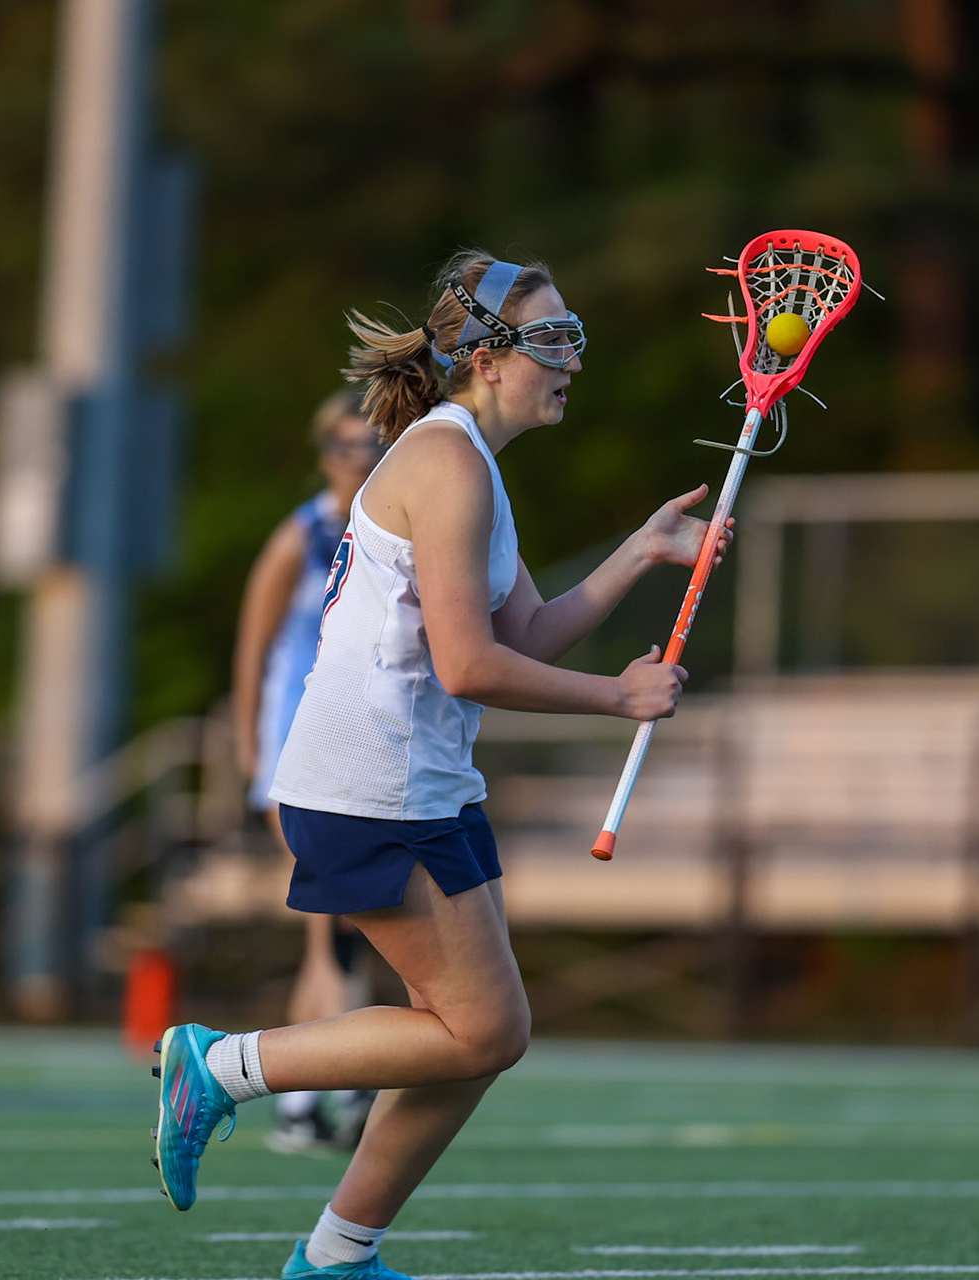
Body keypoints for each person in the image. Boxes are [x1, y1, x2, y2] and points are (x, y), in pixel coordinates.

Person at [152, 250, 731, 1280]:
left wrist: (641, 551)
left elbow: (531, 630)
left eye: (575, 336)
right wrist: (618, 697)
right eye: (554, 339)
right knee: (479, 1028)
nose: (573, 360)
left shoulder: (471, 463)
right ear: (489, 356)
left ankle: (338, 1251)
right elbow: (469, 666)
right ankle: (223, 1064)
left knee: (483, 1031)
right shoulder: (448, 462)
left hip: (420, 781)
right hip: (370, 788)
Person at [231, 387, 384, 1152]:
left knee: (337, 927)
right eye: (351, 449)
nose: (363, 463)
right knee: (339, 927)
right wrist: (247, 751)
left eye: (376, 448)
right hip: (298, 753)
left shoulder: (386, 525)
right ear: (328, 454)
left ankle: (309, 1094)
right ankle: (330, 1084)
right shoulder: (301, 535)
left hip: (357, 749)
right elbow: (253, 650)